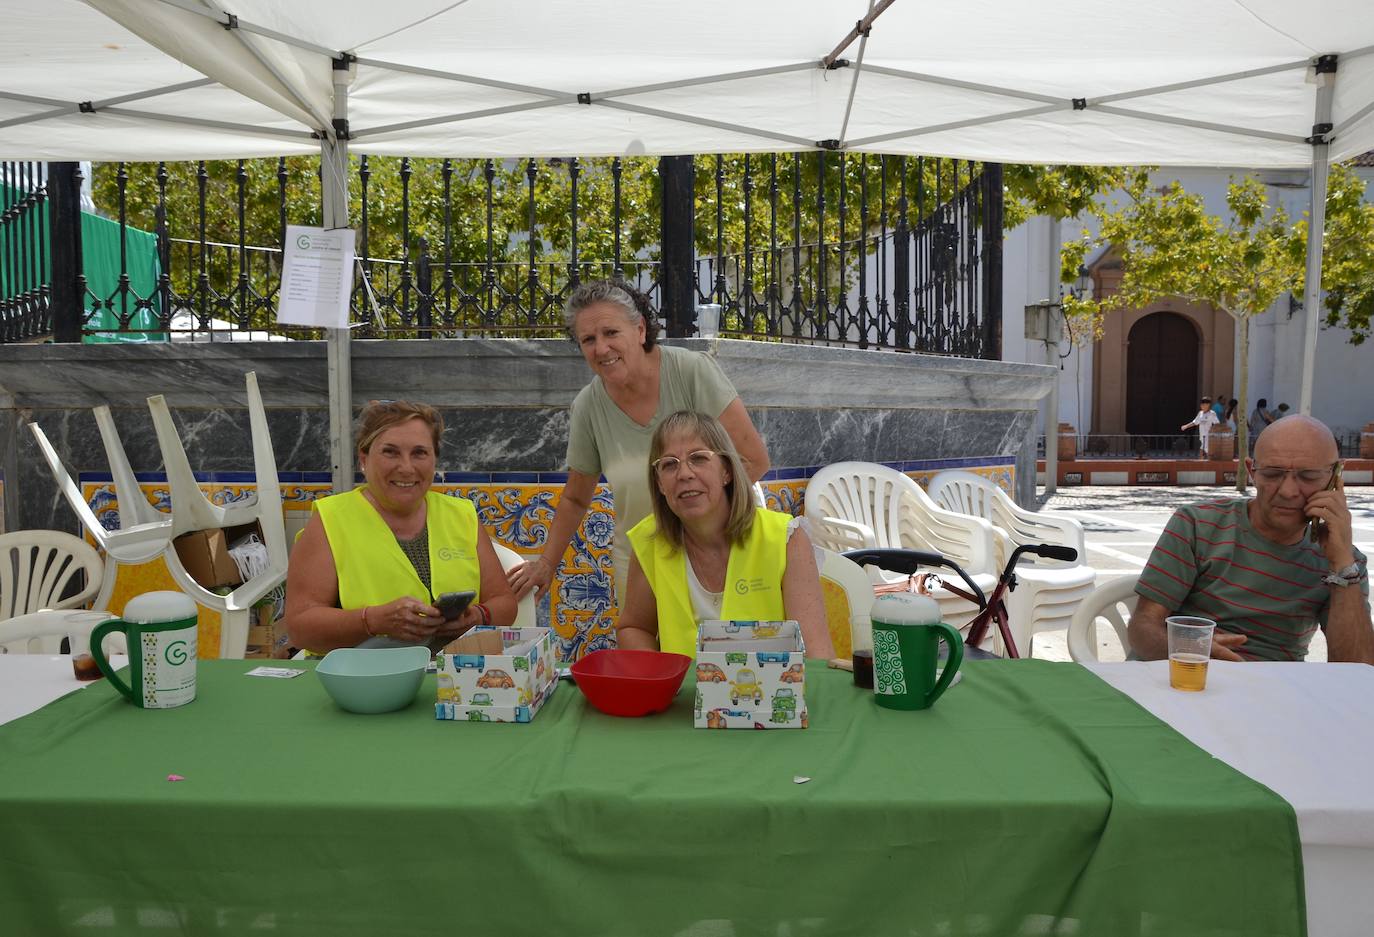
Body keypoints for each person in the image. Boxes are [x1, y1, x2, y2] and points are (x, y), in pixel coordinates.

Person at [506, 279, 769, 604]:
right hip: (642, 565)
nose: (601, 348)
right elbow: (575, 499)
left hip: (722, 552)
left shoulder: (691, 372)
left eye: (611, 333)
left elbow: (754, 459)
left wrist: (696, 520)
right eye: (588, 339)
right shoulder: (588, 406)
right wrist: (546, 564)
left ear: (640, 330)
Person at [1127, 415, 1372, 663]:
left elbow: (1357, 671)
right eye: (1272, 474)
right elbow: (1142, 631)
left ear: (1335, 477)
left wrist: (1342, 566)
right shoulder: (1198, 526)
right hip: (1183, 676)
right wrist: (1188, 647)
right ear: (1250, 471)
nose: (1288, 491)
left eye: (1308, 476)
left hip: (1272, 691)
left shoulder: (1344, 563)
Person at [285, 399, 517, 653]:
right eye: (390, 452)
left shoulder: (462, 515)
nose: (406, 468)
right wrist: (371, 621)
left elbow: (504, 604)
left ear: (434, 460)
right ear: (364, 458)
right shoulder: (330, 520)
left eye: (419, 453)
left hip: (455, 678)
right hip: (362, 678)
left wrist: (478, 616)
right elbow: (299, 628)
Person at [616, 411, 834, 659]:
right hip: (682, 697)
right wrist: (658, 676)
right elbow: (635, 627)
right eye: (669, 464)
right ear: (660, 484)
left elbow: (816, 654)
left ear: (727, 472)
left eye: (698, 458)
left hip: (772, 694)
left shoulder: (786, 539)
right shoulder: (649, 541)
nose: (684, 474)